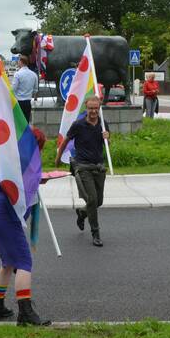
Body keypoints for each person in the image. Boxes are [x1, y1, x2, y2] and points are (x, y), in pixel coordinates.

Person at [0, 127, 51, 327]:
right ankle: (25, 313)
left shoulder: (15, 162)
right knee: (24, 262)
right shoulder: (23, 166)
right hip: (6, 217)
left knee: (9, 263)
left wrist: (37, 179)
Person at [60, 96, 110, 247]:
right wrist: (58, 158)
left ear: (99, 108)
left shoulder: (103, 124)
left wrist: (107, 138)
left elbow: (107, 145)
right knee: (92, 200)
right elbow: (65, 141)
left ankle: (82, 213)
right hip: (83, 167)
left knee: (98, 201)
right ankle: (96, 233)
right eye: (91, 108)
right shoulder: (78, 125)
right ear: (86, 108)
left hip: (99, 167)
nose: (93, 111)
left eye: (96, 108)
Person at [12, 54, 39, 123]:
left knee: (18, 123)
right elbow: (35, 90)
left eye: (18, 61)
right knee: (26, 123)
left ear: (21, 62)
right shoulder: (34, 74)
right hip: (28, 103)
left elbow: (13, 89)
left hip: (18, 103)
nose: (18, 62)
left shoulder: (17, 74)